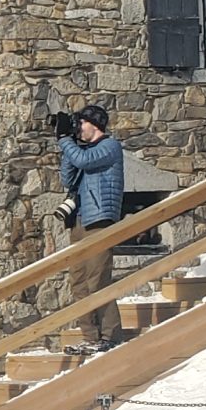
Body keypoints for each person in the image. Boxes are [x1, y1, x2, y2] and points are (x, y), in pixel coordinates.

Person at [54, 103, 125, 346]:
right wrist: (68, 143)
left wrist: (65, 140)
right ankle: (90, 337)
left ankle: (111, 335)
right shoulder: (82, 149)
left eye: (81, 124)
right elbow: (68, 178)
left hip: (100, 220)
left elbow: (84, 161)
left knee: (97, 279)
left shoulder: (110, 147)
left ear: (94, 124)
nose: (78, 129)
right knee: (79, 281)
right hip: (80, 220)